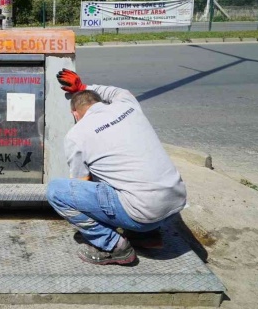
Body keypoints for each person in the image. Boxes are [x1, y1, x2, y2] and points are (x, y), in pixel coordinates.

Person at [47, 69, 187, 265]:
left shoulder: (76, 135)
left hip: (143, 213)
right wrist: (84, 87)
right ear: (100, 103)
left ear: (75, 114)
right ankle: (147, 236)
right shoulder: (127, 105)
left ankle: (114, 246)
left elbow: (80, 183)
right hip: (175, 205)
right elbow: (117, 92)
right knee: (124, 172)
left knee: (57, 191)